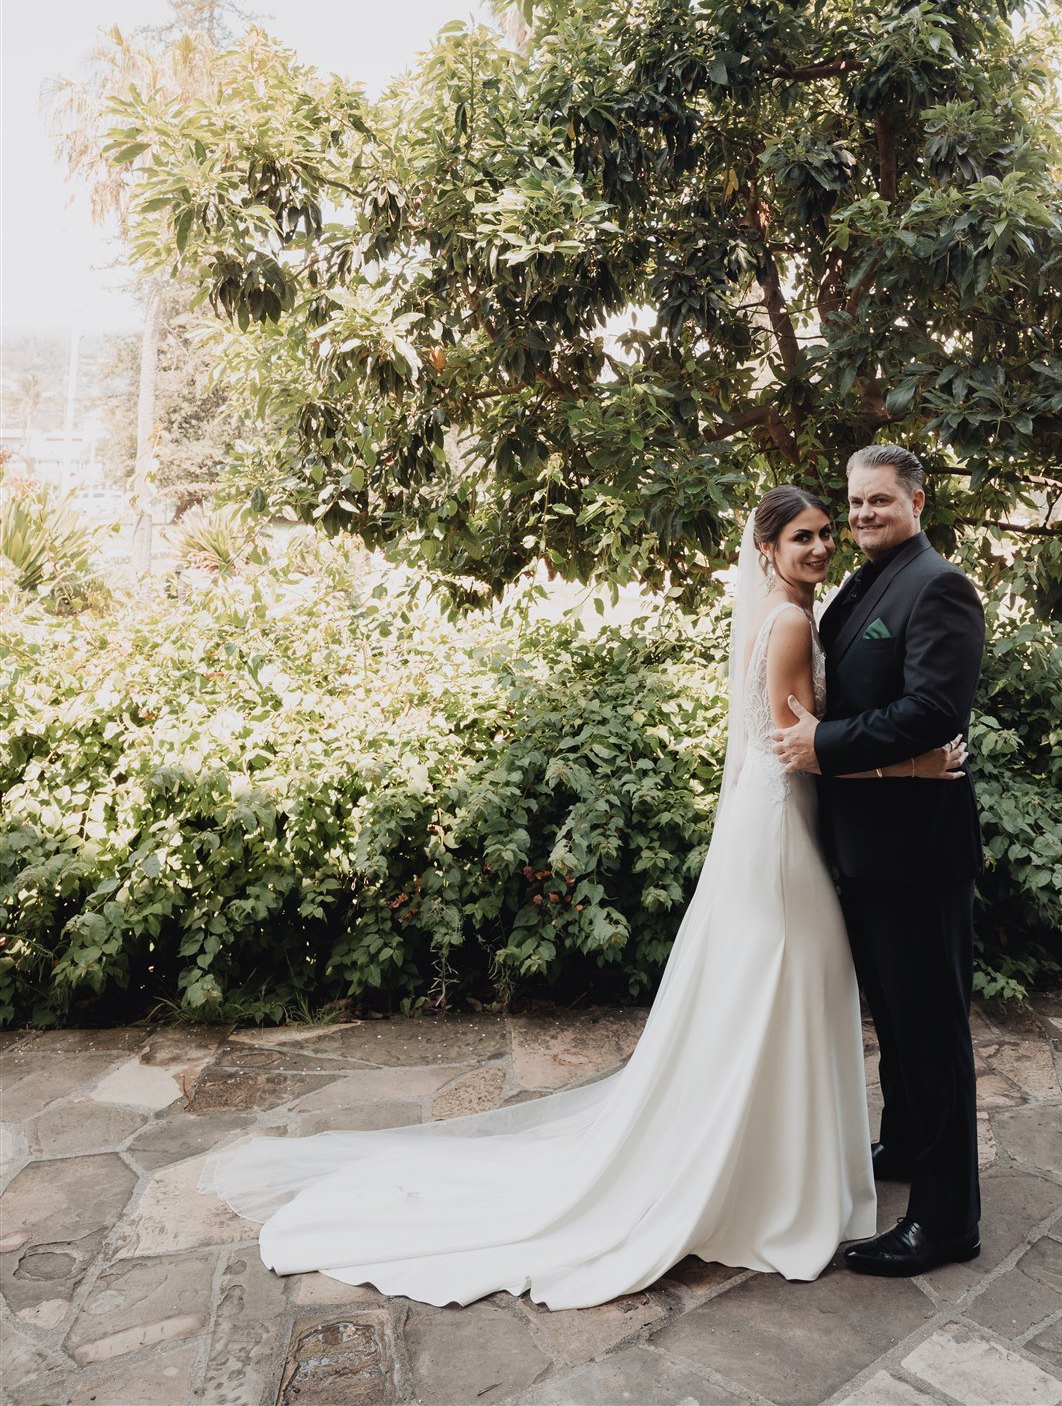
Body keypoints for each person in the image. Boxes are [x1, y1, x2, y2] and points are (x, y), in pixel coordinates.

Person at [197, 486, 966, 1310]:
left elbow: (810, 735)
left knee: (778, 991)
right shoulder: (785, 621)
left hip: (789, 823)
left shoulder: (810, 606)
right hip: (782, 828)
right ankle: (773, 1171)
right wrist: (913, 766)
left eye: (827, 531)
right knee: (785, 984)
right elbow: (798, 745)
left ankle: (789, 1155)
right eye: (803, 535)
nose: (821, 545)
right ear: (767, 550)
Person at [776, 445, 987, 1278]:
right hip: (865, 846)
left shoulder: (937, 584)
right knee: (896, 1029)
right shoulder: (865, 581)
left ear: (916, 502)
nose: (861, 515)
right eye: (855, 501)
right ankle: (902, 1147)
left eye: (878, 502)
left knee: (931, 1037)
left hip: (916, 853)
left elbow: (934, 708)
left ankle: (945, 1222)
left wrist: (822, 746)